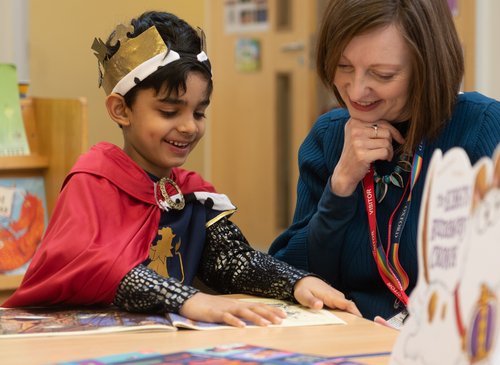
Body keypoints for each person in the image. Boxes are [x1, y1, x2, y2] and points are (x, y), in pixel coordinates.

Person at [3, 11, 361, 326]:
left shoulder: (189, 194)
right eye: (170, 112)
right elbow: (96, 267)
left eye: (199, 112)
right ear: (120, 110)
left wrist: (296, 282)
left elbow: (230, 260)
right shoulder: (93, 180)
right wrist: (187, 299)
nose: (189, 126)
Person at [269, 0, 500, 322]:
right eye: (343, 66)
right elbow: (294, 274)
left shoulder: (483, 127)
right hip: (353, 332)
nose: (357, 89)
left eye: (382, 74)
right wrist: (341, 186)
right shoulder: (330, 136)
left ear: (427, 67)